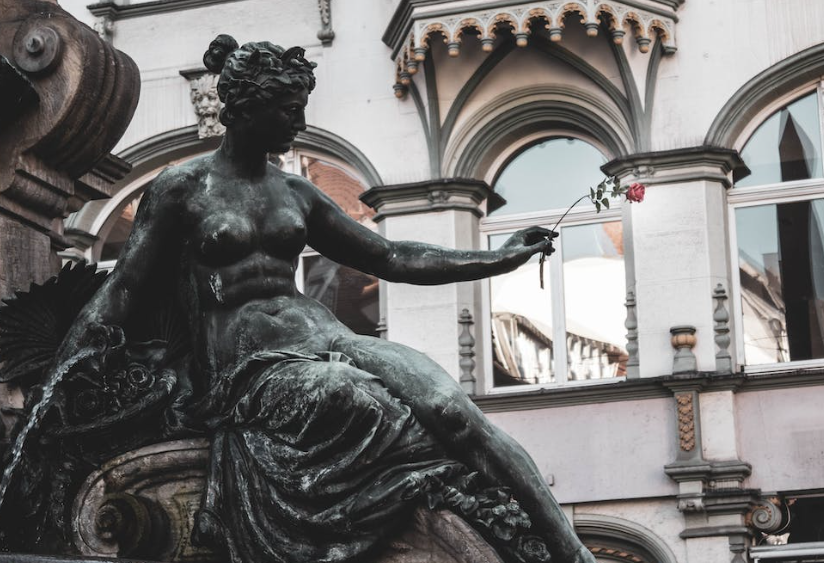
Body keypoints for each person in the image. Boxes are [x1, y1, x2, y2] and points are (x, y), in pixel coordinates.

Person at [55, 35, 596, 563]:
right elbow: (123, 287)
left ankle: (571, 551)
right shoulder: (182, 188)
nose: (300, 122)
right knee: (353, 394)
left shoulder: (297, 193)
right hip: (252, 367)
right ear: (249, 107)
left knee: (452, 409)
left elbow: (390, 256)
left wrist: (496, 258)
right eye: (290, 109)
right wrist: (59, 377)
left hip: (326, 335)